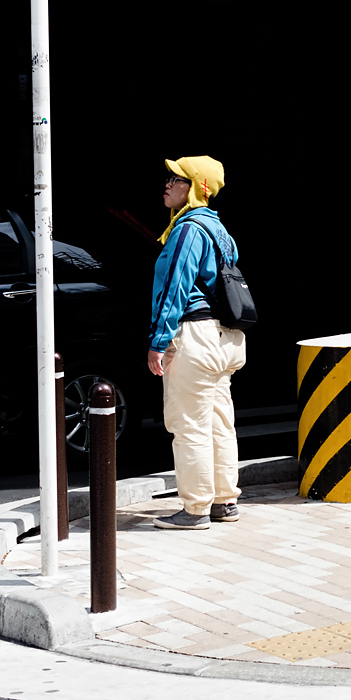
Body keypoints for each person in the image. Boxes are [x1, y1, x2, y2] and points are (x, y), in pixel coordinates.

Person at [147, 155, 246, 530]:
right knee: (220, 422)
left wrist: (158, 341)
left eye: (177, 178)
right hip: (225, 338)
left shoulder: (188, 230)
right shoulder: (219, 229)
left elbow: (175, 286)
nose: (168, 184)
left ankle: (194, 510)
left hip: (195, 336)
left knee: (189, 425)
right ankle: (224, 501)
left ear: (195, 187)